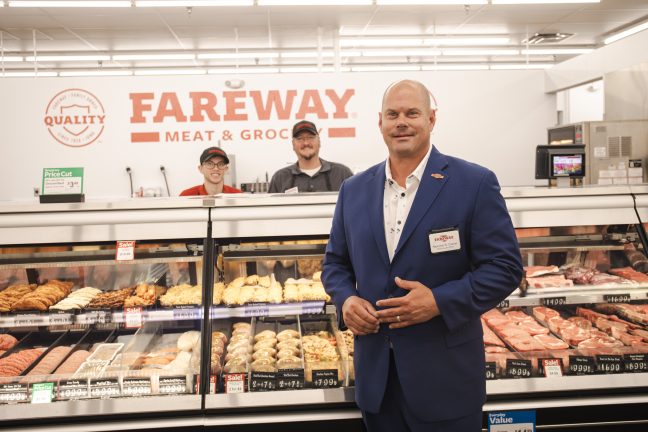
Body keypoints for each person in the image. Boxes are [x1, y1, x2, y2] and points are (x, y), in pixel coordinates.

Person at [322, 80, 523, 432]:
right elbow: (335, 264)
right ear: (379, 122)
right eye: (392, 114)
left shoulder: (473, 182)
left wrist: (439, 301)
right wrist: (346, 299)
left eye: (412, 113)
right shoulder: (353, 190)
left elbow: (505, 268)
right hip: (377, 383)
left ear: (431, 119)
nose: (401, 122)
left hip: (446, 382)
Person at [268, 120, 353, 193]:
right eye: (300, 139)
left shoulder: (342, 174)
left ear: (319, 142)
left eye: (310, 137)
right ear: (293, 144)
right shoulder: (280, 178)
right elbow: (269, 210)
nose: (306, 143)